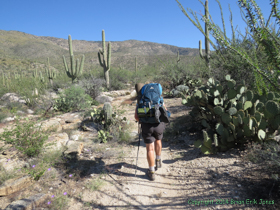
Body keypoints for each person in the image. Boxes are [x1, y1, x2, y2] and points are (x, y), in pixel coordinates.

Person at [134, 83, 168, 181]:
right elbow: (164, 111)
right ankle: (158, 160)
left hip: (146, 126)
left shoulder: (141, 100)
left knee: (150, 149)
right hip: (158, 125)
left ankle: (151, 171)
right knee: (158, 140)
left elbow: (136, 117)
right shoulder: (160, 99)